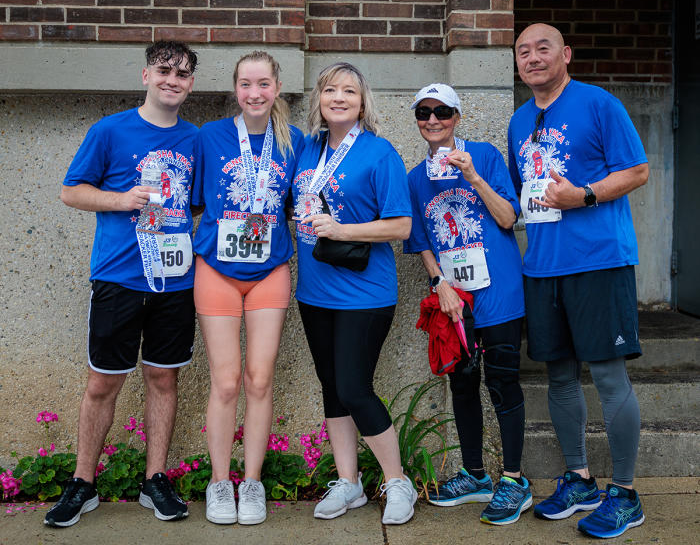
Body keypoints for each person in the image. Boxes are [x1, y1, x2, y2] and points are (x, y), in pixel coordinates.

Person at [46, 41, 198, 527]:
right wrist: (122, 200)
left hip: (174, 280)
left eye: (183, 74)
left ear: (191, 84)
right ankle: (83, 483)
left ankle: (155, 481)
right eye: (164, 71)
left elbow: (195, 204)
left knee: (162, 377)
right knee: (103, 383)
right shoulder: (109, 130)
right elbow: (71, 191)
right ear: (145, 75)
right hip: (119, 276)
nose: (173, 80)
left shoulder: (195, 139)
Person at [509, 24, 649, 539]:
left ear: (565, 54)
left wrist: (584, 194)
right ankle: (580, 479)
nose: (532, 58)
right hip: (543, 267)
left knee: (609, 376)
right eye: (523, 52)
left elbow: (636, 171)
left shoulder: (598, 103)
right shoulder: (520, 121)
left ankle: (627, 493)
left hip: (598, 261)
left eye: (542, 48)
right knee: (560, 377)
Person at [291, 63, 415, 525]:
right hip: (314, 291)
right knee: (332, 390)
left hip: (365, 292)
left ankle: (398, 481)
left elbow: (401, 225)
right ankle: (349, 484)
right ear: (319, 100)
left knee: (354, 388)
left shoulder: (380, 153)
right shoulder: (307, 149)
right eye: (329, 90)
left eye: (349, 91)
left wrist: (342, 229)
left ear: (363, 102)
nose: (338, 97)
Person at [403, 83, 529, 525]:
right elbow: (420, 240)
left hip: (499, 294)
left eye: (441, 111)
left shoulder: (486, 156)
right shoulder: (416, 178)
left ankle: (513, 481)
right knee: (462, 382)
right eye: (424, 112)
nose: (432, 120)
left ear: (457, 116)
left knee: (502, 381)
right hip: (454, 300)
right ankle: (475, 474)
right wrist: (439, 284)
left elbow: (509, 217)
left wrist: (473, 176)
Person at [192, 51, 304, 526]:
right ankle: (220, 483)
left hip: (269, 271)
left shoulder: (295, 141)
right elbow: (196, 200)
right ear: (234, 89)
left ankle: (252, 483)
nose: (254, 93)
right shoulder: (210, 136)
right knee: (227, 380)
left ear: (277, 87)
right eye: (245, 84)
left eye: (263, 84)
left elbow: (299, 204)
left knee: (259, 379)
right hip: (216, 270)